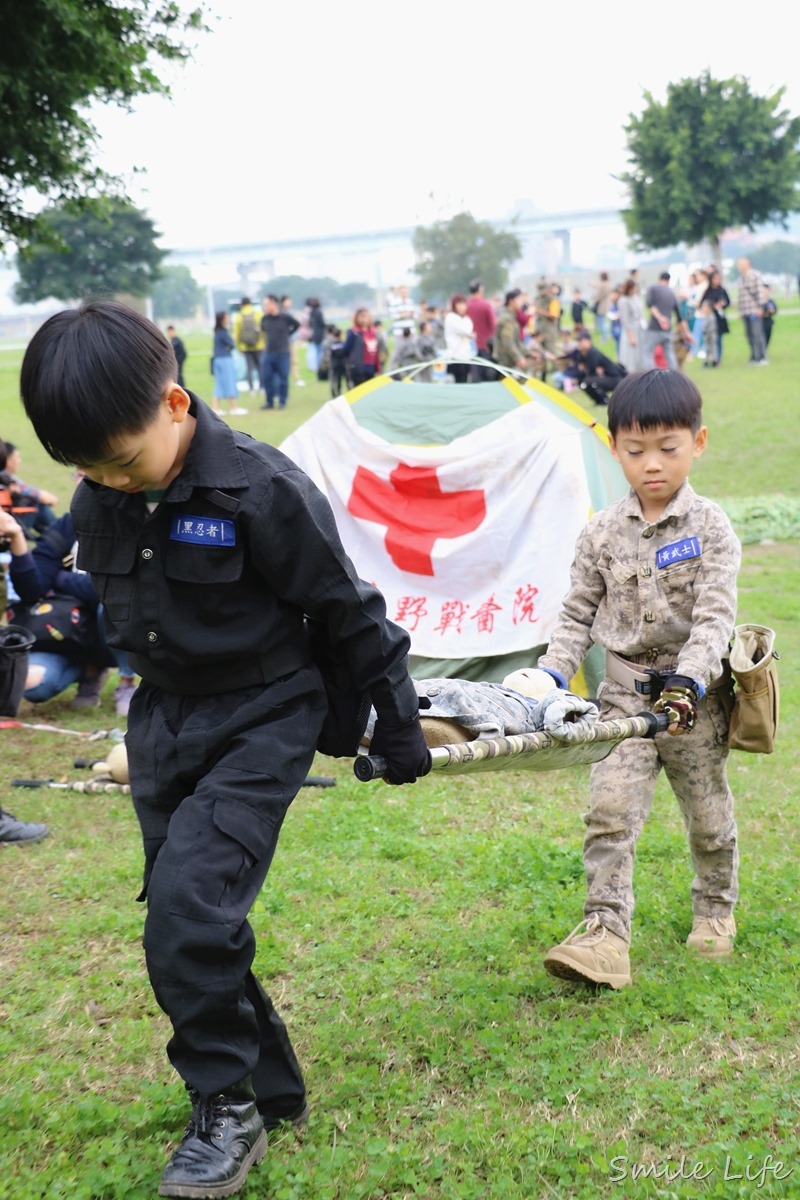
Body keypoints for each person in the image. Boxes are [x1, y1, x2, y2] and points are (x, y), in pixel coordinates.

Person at [19, 300, 431, 1198]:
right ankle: (270, 1090)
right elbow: (75, 575)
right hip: (163, 723)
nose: (105, 481)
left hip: (264, 715)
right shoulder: (102, 490)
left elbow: (349, 609)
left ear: (173, 405)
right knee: (193, 913)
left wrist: (396, 722)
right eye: (83, 467)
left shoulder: (261, 487)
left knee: (185, 915)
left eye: (119, 460)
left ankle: (225, 1109)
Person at [539, 369, 740, 989]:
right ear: (614, 447)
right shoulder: (600, 531)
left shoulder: (710, 529)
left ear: (697, 443)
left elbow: (715, 618)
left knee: (707, 816)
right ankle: (604, 933)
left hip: (692, 704)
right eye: (635, 450)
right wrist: (547, 676)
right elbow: (576, 614)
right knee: (609, 812)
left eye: (668, 448)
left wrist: (689, 680)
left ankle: (715, 908)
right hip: (622, 699)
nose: (651, 464)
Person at [0, 507, 139, 715]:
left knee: (113, 602)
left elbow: (119, 587)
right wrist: (17, 535)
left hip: (109, 633)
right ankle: (90, 671)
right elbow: (33, 590)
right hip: (64, 632)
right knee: (32, 686)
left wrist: (62, 579)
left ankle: (126, 681)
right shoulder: (69, 524)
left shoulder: (131, 522)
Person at [1, 441, 58, 535]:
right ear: (8, 459)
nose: (19, 461)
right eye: (17, 457)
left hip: (8, 518)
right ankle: (63, 538)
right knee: (39, 506)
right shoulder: (7, 479)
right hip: (10, 522)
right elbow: (44, 497)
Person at [260, 295, 300, 409]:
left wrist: (288, 334)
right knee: (267, 378)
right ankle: (269, 402)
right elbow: (263, 331)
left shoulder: (285, 317)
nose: (265, 307)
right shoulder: (265, 319)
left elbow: (297, 325)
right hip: (268, 352)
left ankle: (282, 401)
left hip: (282, 352)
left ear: (274, 304)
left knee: (283, 378)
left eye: (267, 304)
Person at [642, 272, 687, 370]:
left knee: (647, 352)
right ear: (668, 280)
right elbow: (679, 316)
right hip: (668, 330)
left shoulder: (652, 288)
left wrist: (660, 318)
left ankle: (650, 375)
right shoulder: (671, 293)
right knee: (669, 354)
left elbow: (650, 304)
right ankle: (674, 375)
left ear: (659, 279)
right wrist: (687, 334)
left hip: (654, 328)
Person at [573, 331, 626, 405]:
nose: (579, 343)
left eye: (581, 341)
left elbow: (591, 371)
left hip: (614, 378)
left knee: (588, 381)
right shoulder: (581, 354)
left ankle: (605, 400)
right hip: (603, 378)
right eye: (578, 341)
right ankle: (599, 400)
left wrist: (586, 370)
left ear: (588, 341)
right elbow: (581, 371)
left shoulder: (592, 352)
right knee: (583, 382)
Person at [211, 312, 248, 418]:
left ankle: (216, 408)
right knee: (229, 382)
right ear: (223, 319)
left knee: (219, 383)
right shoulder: (223, 332)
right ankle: (234, 408)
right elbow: (231, 344)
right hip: (224, 360)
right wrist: (229, 346)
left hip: (218, 359)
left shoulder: (217, 332)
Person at [736, 257, 768, 365]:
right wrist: (740, 311)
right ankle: (754, 356)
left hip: (755, 310)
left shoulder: (755, 275)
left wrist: (760, 308)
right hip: (745, 311)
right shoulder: (740, 278)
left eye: (742, 264)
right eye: (739, 264)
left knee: (757, 334)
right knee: (749, 334)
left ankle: (762, 356)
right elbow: (740, 296)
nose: (740, 266)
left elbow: (760, 292)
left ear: (748, 264)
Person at [343, 308, 382, 389]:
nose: (364, 319)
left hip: (371, 367)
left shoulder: (374, 333)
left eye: (366, 316)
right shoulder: (353, 333)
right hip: (358, 367)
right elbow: (346, 349)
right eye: (362, 316)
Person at [698, 270, 731, 364]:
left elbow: (727, 302)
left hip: (719, 318)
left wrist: (722, 305)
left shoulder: (722, 290)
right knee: (708, 341)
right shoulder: (708, 291)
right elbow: (702, 303)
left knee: (718, 340)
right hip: (709, 317)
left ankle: (717, 359)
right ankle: (709, 359)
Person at [466, 279, 497, 380]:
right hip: (486, 346)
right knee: (488, 376)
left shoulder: (466, 305)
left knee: (475, 375)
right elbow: (493, 326)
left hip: (470, 346)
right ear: (480, 290)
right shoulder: (486, 305)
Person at [232, 299, 264, 394]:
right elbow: (263, 330)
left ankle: (251, 388)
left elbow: (236, 333)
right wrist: (263, 343)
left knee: (249, 367)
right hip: (259, 345)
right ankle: (262, 387)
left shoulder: (239, 315)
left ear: (242, 305)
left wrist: (238, 346)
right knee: (260, 367)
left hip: (245, 346)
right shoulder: (258, 313)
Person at [443, 293, 475, 383]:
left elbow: (469, 328)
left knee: (465, 382)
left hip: (466, 357)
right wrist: (470, 333)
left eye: (463, 304)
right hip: (455, 357)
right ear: (454, 305)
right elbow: (465, 330)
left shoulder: (466, 318)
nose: (462, 307)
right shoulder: (451, 317)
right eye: (459, 304)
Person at [617, 279, 643, 374]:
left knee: (639, 354)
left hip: (639, 328)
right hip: (630, 330)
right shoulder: (623, 301)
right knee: (630, 355)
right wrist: (631, 335)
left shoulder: (636, 298)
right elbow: (624, 320)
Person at [305, 298, 325, 376]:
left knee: (316, 352)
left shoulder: (311, 313)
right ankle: (320, 367)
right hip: (319, 334)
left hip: (314, 334)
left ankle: (316, 367)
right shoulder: (318, 312)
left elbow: (310, 324)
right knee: (320, 352)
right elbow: (322, 323)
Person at [591, 272, 612, 341]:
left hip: (601, 306)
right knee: (605, 321)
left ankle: (604, 337)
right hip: (607, 304)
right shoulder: (608, 284)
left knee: (601, 321)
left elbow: (599, 295)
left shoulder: (602, 285)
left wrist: (593, 299)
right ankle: (608, 335)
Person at [761, 284, 777, 350]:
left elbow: (775, 310)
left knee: (767, 337)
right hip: (760, 322)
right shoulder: (759, 301)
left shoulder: (771, 301)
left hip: (768, 322)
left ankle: (764, 351)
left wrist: (771, 311)